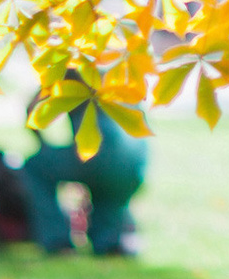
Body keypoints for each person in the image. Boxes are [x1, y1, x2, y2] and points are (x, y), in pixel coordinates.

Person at [20, 100, 150, 258]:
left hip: (101, 152)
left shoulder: (74, 75)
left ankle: (58, 243)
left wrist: (44, 147)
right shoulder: (124, 78)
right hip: (136, 160)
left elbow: (33, 109)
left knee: (36, 166)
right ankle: (109, 243)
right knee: (107, 190)